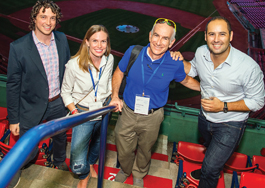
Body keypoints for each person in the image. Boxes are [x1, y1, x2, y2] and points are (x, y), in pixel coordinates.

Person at [174, 16, 265, 188]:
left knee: (211, 169)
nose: (216, 40)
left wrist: (223, 106)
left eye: (222, 34)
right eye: (212, 34)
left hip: (231, 124)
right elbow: (193, 69)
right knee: (209, 150)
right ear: (205, 36)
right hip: (205, 117)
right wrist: (180, 60)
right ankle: (209, 166)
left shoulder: (249, 67)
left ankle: (209, 171)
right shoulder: (201, 52)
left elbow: (258, 102)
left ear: (230, 36)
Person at [111, 18, 200, 187]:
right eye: (156, 35)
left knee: (145, 148)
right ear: (150, 35)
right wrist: (115, 95)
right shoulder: (134, 52)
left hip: (153, 116)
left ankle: (139, 172)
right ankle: (125, 169)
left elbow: (187, 80)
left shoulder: (174, 62)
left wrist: (205, 89)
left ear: (172, 42)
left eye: (165, 38)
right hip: (128, 111)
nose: (159, 42)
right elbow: (119, 72)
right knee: (122, 144)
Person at [6, 0, 70, 187]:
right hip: (31, 106)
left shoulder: (62, 39)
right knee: (29, 149)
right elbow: (13, 85)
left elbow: (66, 70)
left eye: (52, 18)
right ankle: (13, 170)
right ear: (34, 18)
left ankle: (58, 160)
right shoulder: (18, 47)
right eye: (43, 16)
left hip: (58, 102)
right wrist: (14, 119)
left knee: (60, 137)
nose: (48, 22)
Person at [61, 25, 114, 188]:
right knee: (76, 160)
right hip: (83, 114)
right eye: (95, 41)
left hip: (104, 110)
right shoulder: (73, 64)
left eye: (103, 41)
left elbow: (108, 83)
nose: (99, 45)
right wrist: (75, 112)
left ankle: (91, 164)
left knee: (98, 142)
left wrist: (113, 98)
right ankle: (83, 174)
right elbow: (65, 92)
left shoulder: (109, 59)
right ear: (87, 42)